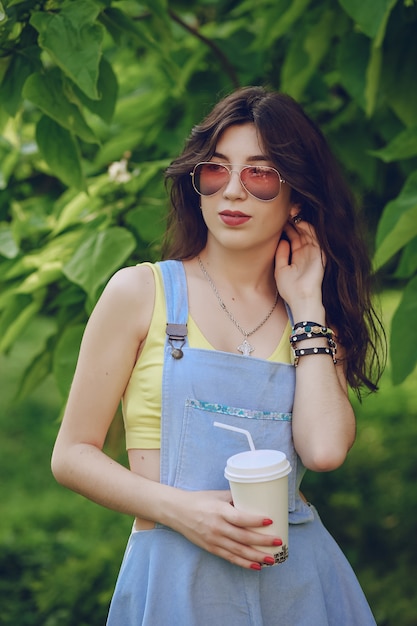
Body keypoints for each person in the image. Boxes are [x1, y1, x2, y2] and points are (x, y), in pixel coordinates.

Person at [51, 86, 384, 625]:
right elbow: (70, 456)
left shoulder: (313, 319)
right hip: (174, 580)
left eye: (260, 174)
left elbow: (323, 451)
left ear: (296, 196)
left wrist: (305, 309)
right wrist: (183, 512)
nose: (232, 191)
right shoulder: (141, 293)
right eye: (215, 170)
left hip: (299, 587)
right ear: (197, 184)